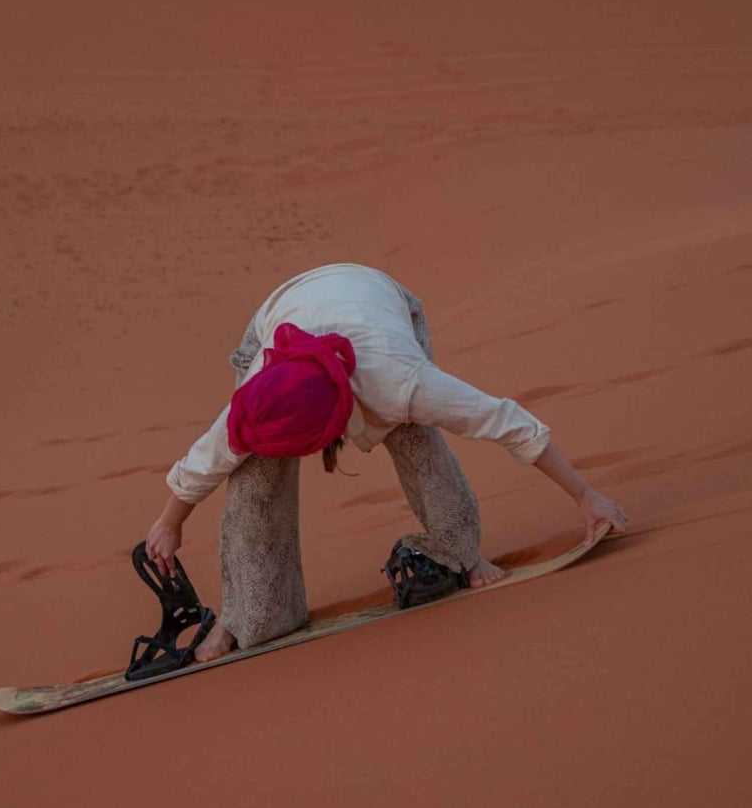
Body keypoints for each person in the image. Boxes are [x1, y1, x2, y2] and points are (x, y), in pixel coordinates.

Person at [145, 262, 628, 662]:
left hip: (381, 303)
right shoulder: (258, 391)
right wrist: (169, 523)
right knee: (255, 473)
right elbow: (207, 459)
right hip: (279, 314)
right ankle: (246, 615)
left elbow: (505, 421)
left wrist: (587, 498)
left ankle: (458, 551)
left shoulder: (402, 382)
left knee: (413, 433)